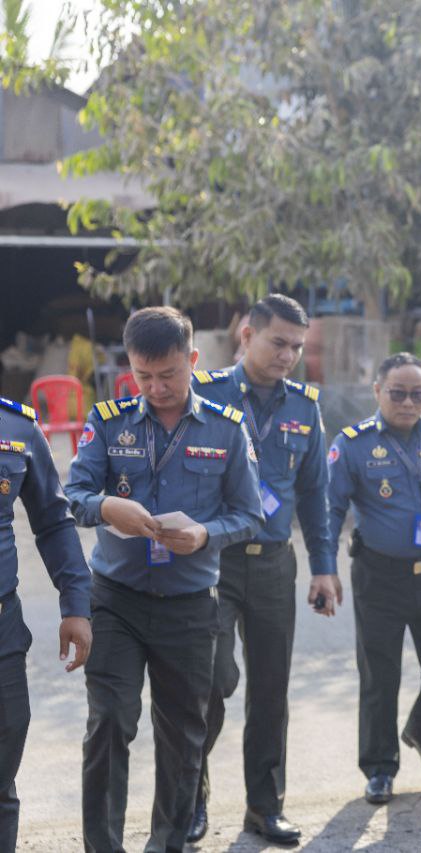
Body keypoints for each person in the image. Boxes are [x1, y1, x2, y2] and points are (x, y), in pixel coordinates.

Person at [64, 307, 264, 853]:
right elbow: (73, 495)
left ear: (193, 360)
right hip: (116, 601)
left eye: (169, 374)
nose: (156, 388)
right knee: (109, 721)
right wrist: (107, 507)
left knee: (182, 736)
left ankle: (167, 844)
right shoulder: (108, 421)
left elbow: (250, 515)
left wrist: (204, 534)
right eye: (143, 376)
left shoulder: (226, 427)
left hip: (189, 605)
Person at [189, 294, 339, 844]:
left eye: (297, 347)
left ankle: (264, 806)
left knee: (271, 690)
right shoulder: (204, 395)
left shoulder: (304, 406)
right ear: (247, 335)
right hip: (213, 563)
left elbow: (315, 493)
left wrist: (323, 567)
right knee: (209, 681)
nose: (288, 357)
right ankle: (190, 795)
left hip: (274, 564)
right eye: (279, 343)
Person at [327, 352, 421, 806]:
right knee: (380, 676)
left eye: (418, 395)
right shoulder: (353, 444)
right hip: (379, 577)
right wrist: (325, 568)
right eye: (398, 393)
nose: (408, 403)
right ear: (378, 391)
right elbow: (330, 510)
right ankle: (380, 768)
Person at [0, 396, 92, 853]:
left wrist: (76, 604)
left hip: (2, 629)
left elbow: (53, 521)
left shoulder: (16, 428)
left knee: (2, 766)